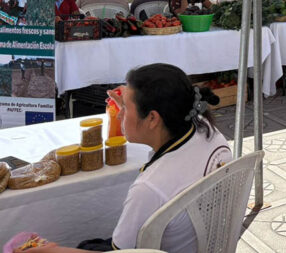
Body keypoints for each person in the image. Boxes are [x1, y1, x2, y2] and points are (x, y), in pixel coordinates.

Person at [20, 64, 232, 253]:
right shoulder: (206, 129)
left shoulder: (149, 188)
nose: (119, 114)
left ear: (152, 118)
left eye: (125, 108)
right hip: (201, 241)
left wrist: (54, 250)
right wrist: (132, 103)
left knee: (87, 245)